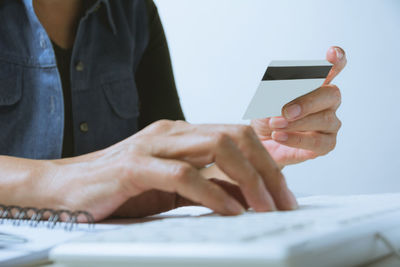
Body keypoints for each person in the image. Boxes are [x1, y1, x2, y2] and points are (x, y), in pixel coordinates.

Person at [0, 0, 346, 222]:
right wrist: (69, 180)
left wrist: (252, 153)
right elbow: (124, 170)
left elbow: (170, 185)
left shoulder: (135, 12)